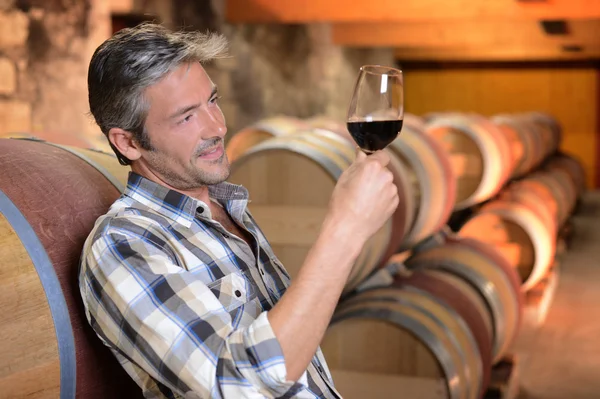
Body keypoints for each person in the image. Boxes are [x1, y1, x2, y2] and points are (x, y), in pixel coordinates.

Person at [79, 22, 399, 399]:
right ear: (128, 143)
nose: (217, 127)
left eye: (212, 101)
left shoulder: (225, 209)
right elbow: (239, 385)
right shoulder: (124, 245)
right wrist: (345, 230)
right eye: (186, 117)